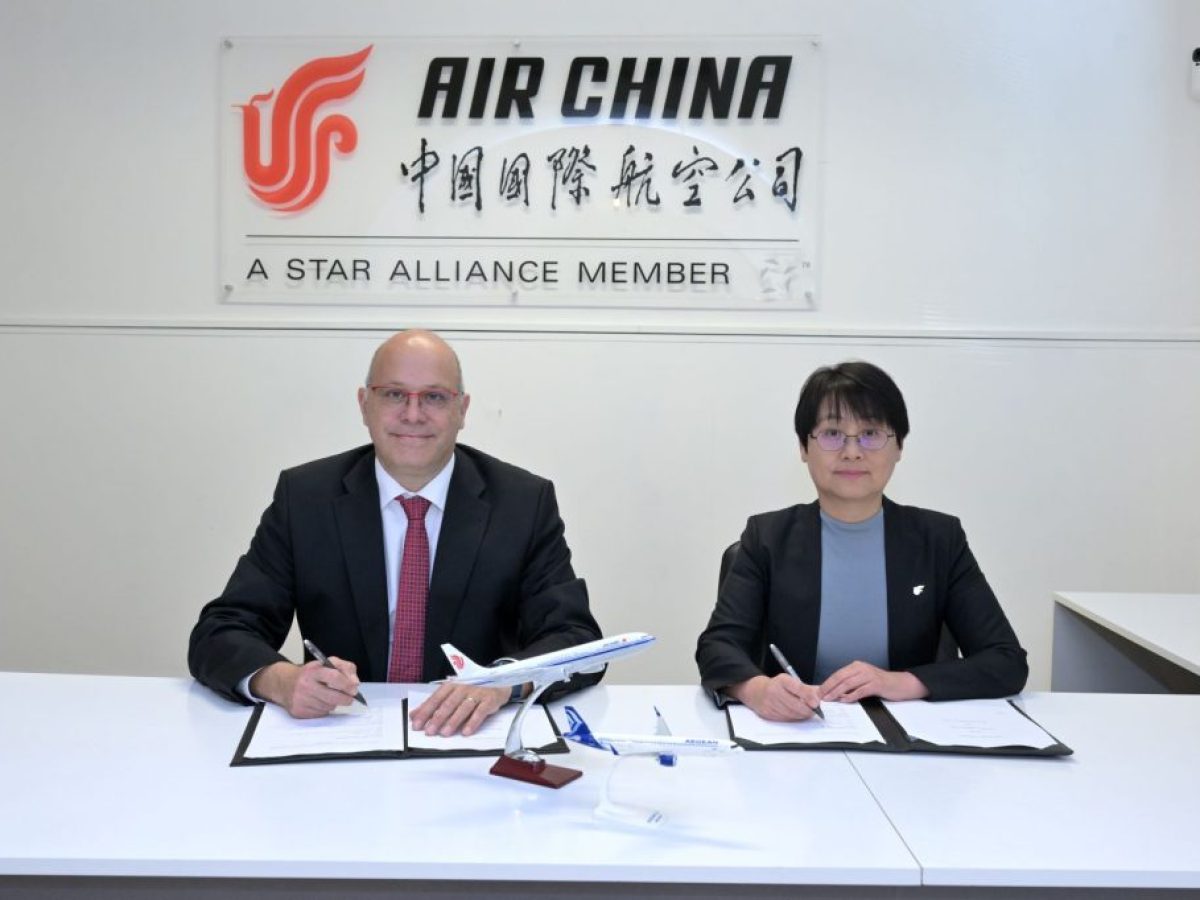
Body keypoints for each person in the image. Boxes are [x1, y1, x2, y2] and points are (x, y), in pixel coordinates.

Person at [189, 330, 602, 735]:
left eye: (434, 397)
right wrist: (281, 681)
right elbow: (221, 631)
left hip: (473, 739)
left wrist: (502, 683)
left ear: (462, 409)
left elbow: (577, 639)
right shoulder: (306, 498)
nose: (413, 414)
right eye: (393, 394)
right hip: (342, 732)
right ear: (364, 404)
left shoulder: (522, 503)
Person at [695, 361, 1027, 720]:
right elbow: (717, 646)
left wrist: (901, 682)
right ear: (804, 447)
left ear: (899, 446)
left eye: (870, 433)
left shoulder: (939, 540)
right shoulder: (768, 538)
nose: (852, 451)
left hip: (906, 734)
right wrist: (758, 690)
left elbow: (1006, 660)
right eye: (832, 433)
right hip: (797, 730)